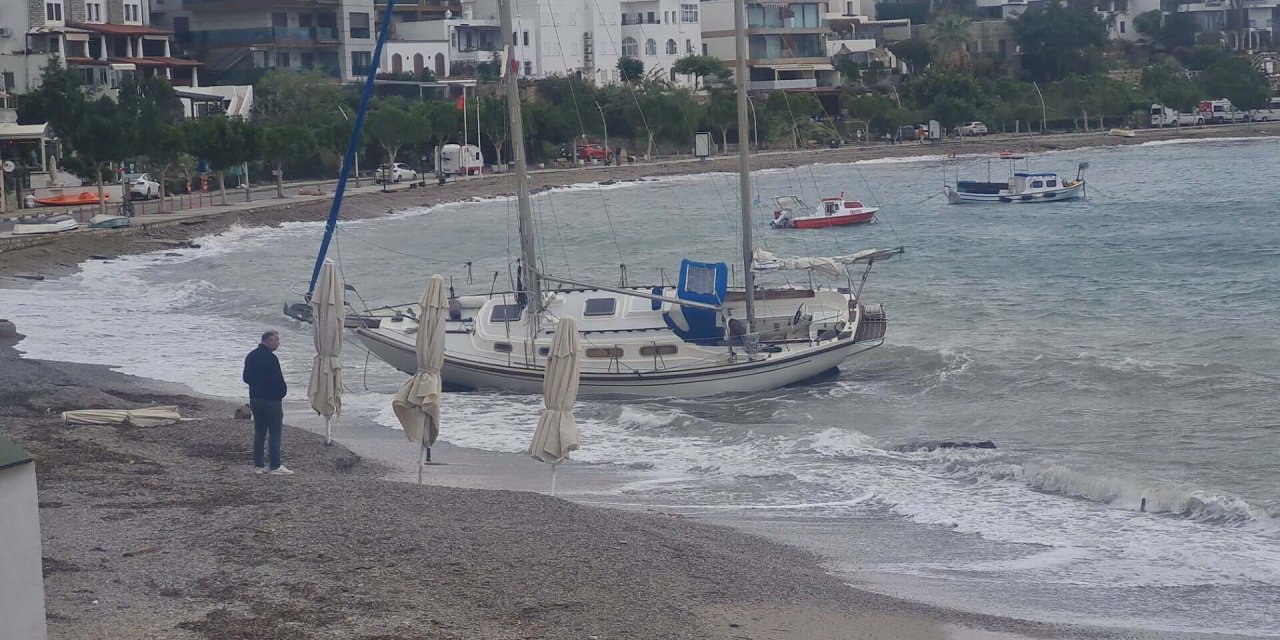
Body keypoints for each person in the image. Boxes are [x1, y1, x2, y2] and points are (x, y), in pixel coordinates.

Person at [243, 330, 292, 475]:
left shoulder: (251, 356)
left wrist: (257, 385)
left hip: (256, 398)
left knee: (259, 432)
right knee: (275, 432)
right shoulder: (271, 358)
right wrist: (281, 392)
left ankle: (258, 465)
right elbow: (278, 380)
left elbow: (246, 377)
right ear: (268, 340)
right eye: (276, 340)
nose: (278, 343)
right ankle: (275, 465)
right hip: (271, 400)